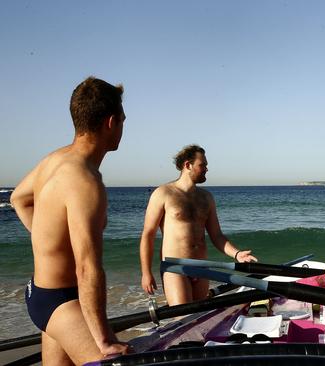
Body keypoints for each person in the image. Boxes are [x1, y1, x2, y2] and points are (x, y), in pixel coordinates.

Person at [11, 77, 130, 365]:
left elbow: (19, 198)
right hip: (61, 303)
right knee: (113, 362)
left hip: (41, 294)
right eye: (124, 119)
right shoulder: (86, 181)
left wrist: (47, 239)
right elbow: (88, 268)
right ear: (111, 122)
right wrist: (105, 340)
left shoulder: (53, 160)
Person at [139, 145, 257, 306]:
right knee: (183, 318)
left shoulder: (206, 197)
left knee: (199, 319)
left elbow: (216, 235)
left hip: (202, 267)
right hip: (175, 268)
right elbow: (148, 234)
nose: (207, 169)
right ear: (188, 165)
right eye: (203, 165)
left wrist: (237, 254)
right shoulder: (163, 193)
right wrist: (146, 273)